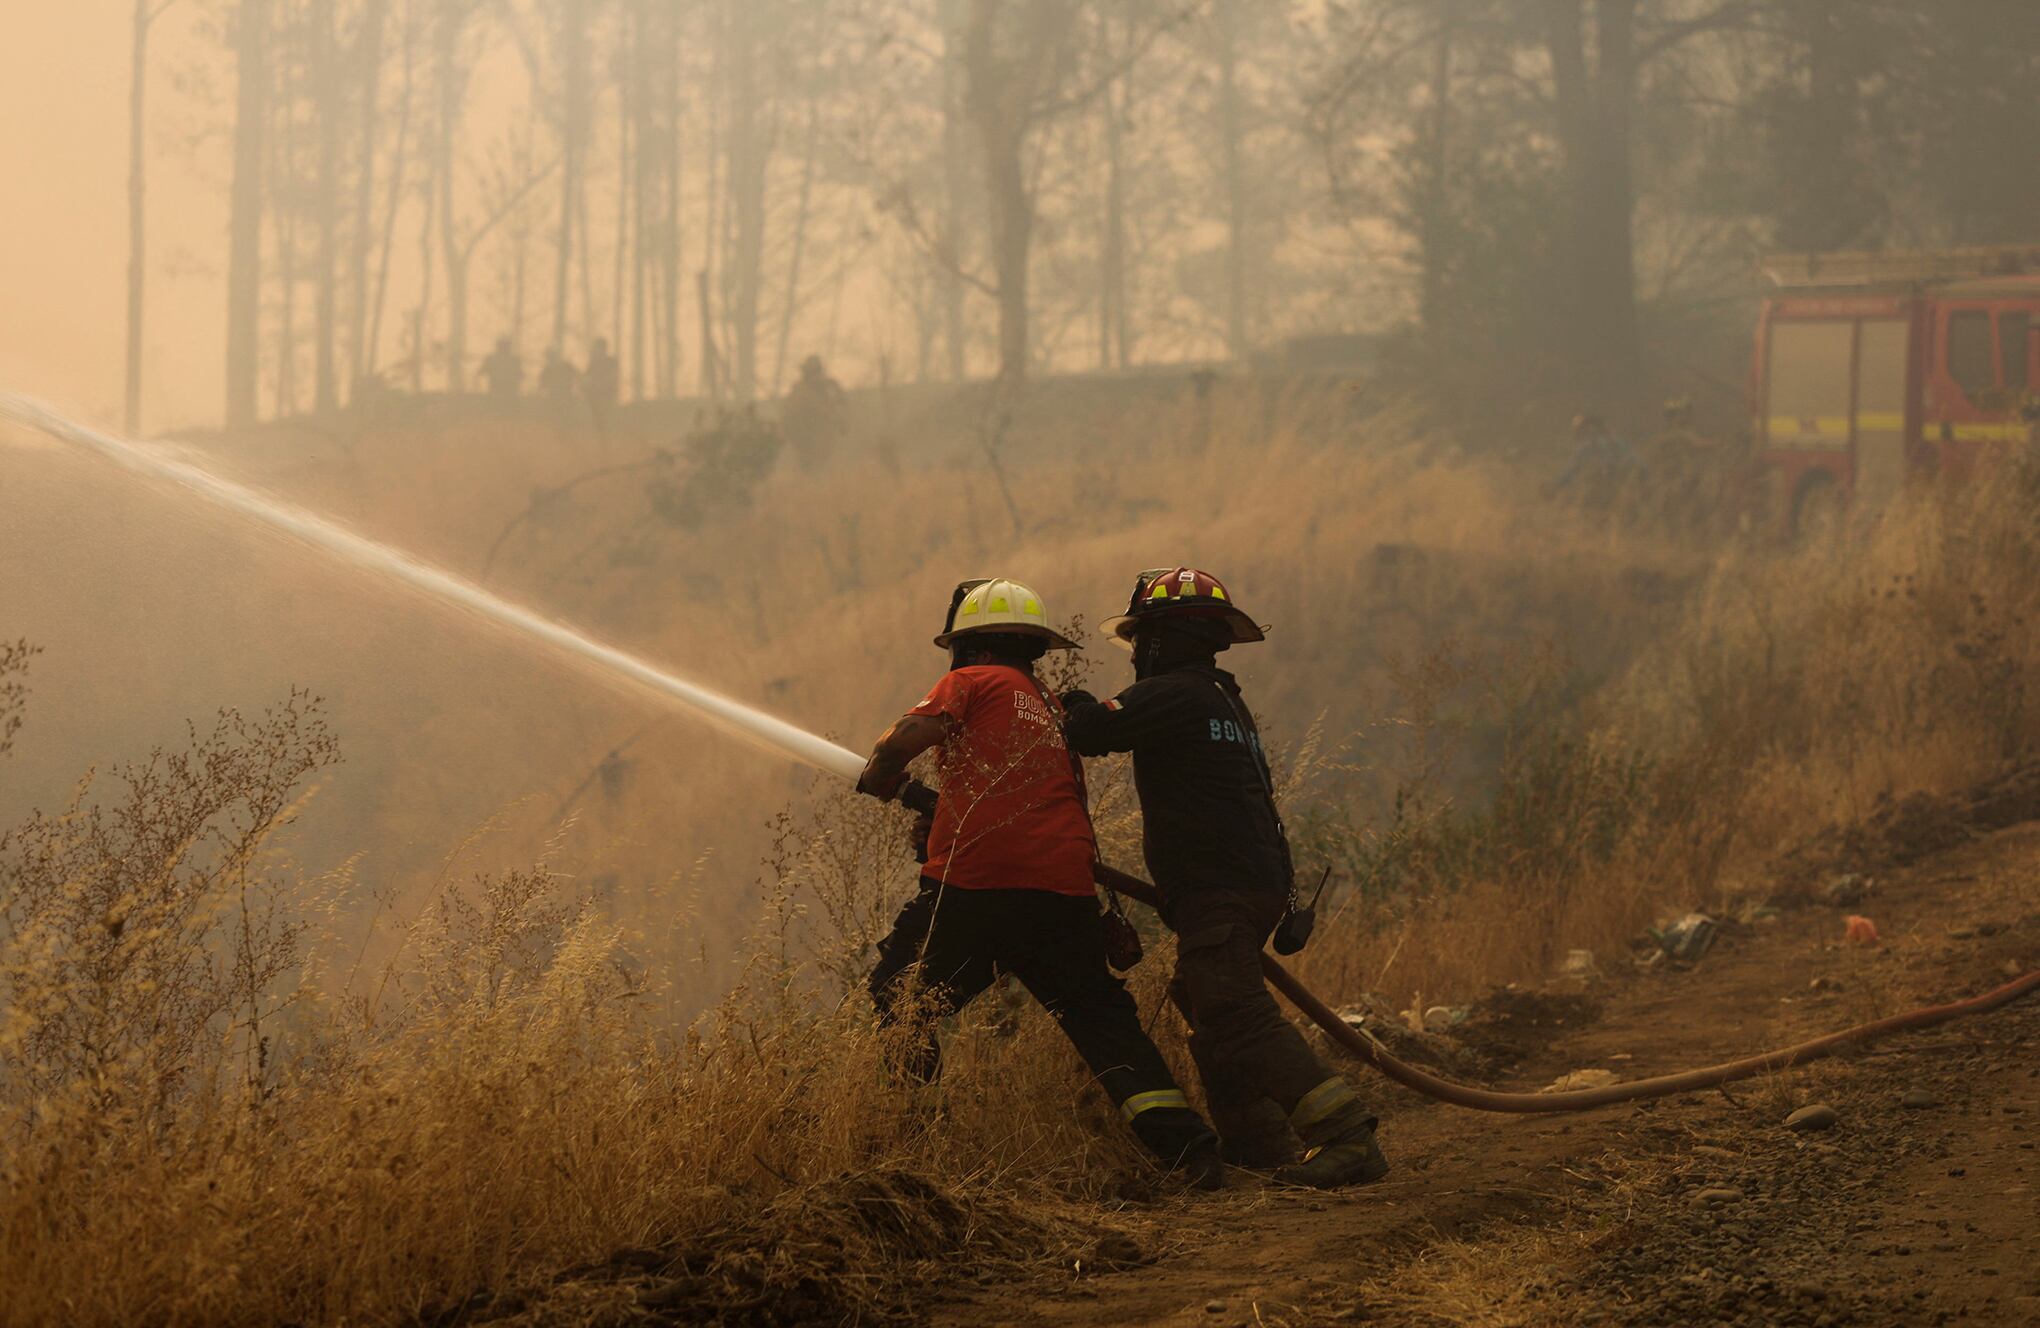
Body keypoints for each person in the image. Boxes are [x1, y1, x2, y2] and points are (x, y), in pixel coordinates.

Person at [856, 577, 1225, 1190]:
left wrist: (882, 771)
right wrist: (939, 813)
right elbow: (1016, 795)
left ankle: (909, 1155)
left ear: (968, 644)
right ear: (1034, 647)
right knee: (1101, 1022)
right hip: (1062, 890)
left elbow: (904, 738)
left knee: (902, 1000)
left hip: (977, 885)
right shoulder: (1047, 706)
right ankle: (1192, 1154)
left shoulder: (971, 681)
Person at [1060, 568, 1389, 1190]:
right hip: (1245, 883)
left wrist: (1071, 703)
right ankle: (1258, 1145)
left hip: (1221, 887)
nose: (1136, 653)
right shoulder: (1221, 699)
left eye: (1142, 639)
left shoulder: (1177, 693)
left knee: (1233, 1006)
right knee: (1208, 1003)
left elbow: (1090, 731)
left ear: (1166, 638)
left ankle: (1347, 1138)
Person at [1550, 412, 1640, 512]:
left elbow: (1570, 472)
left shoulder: (1586, 447)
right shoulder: (1618, 443)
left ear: (1582, 430)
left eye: (1578, 430)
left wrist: (1554, 486)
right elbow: (1638, 463)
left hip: (1602, 497)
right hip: (1629, 493)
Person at [782, 354, 847, 467]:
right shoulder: (799, 388)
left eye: (814, 371)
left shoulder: (829, 385)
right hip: (803, 433)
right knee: (808, 463)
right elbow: (789, 411)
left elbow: (840, 404)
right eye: (810, 372)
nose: (813, 376)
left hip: (824, 430)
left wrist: (841, 421)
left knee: (824, 461)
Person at [582, 338, 619, 411]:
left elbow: (610, 381)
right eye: (596, 347)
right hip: (590, 398)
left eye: (598, 347)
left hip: (605, 398)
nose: (596, 350)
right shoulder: (593, 363)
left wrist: (594, 383)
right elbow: (586, 377)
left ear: (604, 348)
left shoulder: (611, 363)